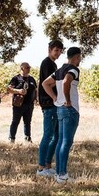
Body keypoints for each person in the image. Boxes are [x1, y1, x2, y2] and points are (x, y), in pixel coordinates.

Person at [42, 47, 82, 183]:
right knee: (66, 141)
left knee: (60, 141)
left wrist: (55, 97)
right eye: (80, 58)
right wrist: (68, 100)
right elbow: (67, 81)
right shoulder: (73, 69)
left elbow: (45, 83)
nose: (80, 61)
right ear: (76, 57)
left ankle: (58, 173)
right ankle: (62, 174)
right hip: (70, 109)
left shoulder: (59, 70)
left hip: (59, 108)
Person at [37, 40, 64, 176]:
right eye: (56, 50)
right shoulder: (47, 63)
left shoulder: (53, 64)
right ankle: (41, 167)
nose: (58, 53)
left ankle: (47, 165)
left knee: (56, 135)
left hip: (54, 103)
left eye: (60, 51)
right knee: (48, 135)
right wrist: (54, 97)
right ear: (49, 49)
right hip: (48, 104)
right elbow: (46, 83)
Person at [8, 63, 37, 143]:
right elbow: (9, 89)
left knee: (27, 122)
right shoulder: (16, 78)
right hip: (18, 104)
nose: (29, 69)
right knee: (15, 121)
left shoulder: (31, 79)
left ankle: (28, 138)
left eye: (29, 67)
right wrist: (18, 91)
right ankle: (12, 138)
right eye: (27, 67)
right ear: (22, 68)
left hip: (29, 104)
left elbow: (35, 89)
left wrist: (36, 98)